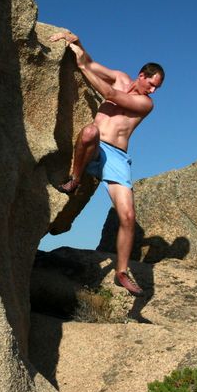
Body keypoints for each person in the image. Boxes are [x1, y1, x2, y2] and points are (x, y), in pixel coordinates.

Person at [49, 29, 164, 297]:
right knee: (90, 131)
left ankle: (121, 272)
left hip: (117, 158)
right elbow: (90, 63)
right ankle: (75, 180)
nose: (154, 90)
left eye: (157, 87)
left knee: (128, 216)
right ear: (142, 75)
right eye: (152, 83)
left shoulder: (146, 104)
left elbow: (111, 95)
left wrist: (81, 64)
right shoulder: (121, 77)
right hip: (95, 146)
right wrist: (75, 41)